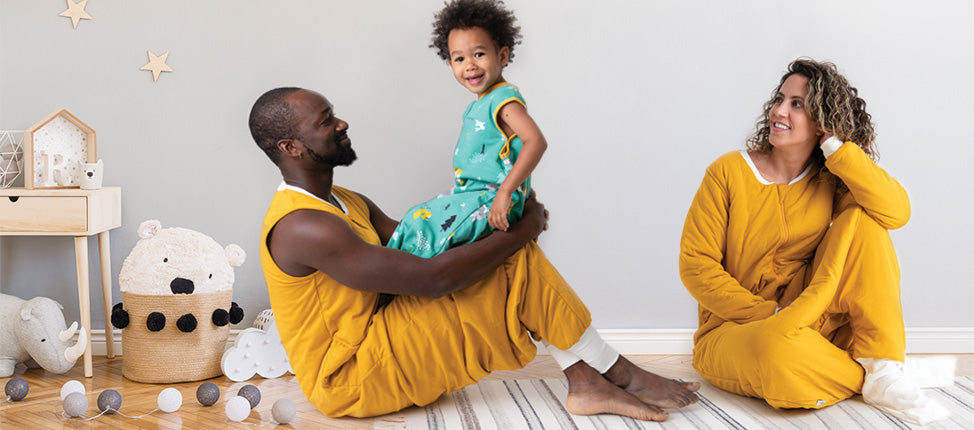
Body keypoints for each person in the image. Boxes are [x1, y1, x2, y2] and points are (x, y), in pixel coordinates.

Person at [250, 86, 700, 420]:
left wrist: (499, 199)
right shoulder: (302, 226)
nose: (342, 123)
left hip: (379, 339)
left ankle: (589, 381)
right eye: (327, 120)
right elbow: (431, 278)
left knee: (505, 258)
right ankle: (611, 373)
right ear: (290, 147)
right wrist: (523, 229)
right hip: (350, 376)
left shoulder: (347, 200)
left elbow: (428, 242)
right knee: (510, 258)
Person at [678, 58, 949, 425]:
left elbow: (897, 212)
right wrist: (769, 315)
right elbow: (696, 267)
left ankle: (884, 367)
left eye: (797, 104)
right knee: (775, 353)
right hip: (737, 331)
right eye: (779, 98)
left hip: (809, 321)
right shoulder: (727, 172)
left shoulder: (830, 181)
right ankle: (875, 379)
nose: (778, 110)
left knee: (866, 221)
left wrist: (839, 150)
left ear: (822, 121)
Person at [386, 0, 546, 257]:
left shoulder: (503, 100)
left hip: (491, 199)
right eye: (459, 58)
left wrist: (508, 193)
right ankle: (392, 268)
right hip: (472, 195)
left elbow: (535, 142)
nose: (469, 65)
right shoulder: (481, 104)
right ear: (451, 64)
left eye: (479, 54)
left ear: (502, 55)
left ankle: (403, 275)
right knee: (416, 216)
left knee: (426, 226)